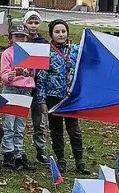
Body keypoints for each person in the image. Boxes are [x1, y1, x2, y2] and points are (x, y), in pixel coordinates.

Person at [35, 19, 88, 174]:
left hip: (71, 97)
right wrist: (42, 100)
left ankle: (80, 160)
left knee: (74, 130)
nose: (61, 34)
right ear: (51, 33)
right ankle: (61, 160)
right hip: (53, 97)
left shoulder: (76, 50)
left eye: (63, 31)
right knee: (56, 130)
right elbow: (41, 79)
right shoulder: (47, 52)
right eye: (57, 32)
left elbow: (92, 58)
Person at [0, 21, 34, 171]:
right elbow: (4, 75)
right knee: (9, 124)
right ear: (11, 37)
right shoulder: (7, 53)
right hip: (10, 90)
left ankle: (19, 154)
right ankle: (8, 154)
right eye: (17, 36)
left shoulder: (30, 53)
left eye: (23, 36)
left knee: (20, 126)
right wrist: (10, 76)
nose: (20, 39)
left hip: (25, 91)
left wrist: (29, 73)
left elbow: (35, 72)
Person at [22, 10, 50, 164]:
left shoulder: (43, 43)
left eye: (36, 22)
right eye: (30, 22)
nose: (33, 26)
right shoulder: (21, 41)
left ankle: (41, 150)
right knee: (18, 121)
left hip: (37, 88)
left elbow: (45, 66)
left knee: (38, 121)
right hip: (21, 86)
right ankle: (17, 150)